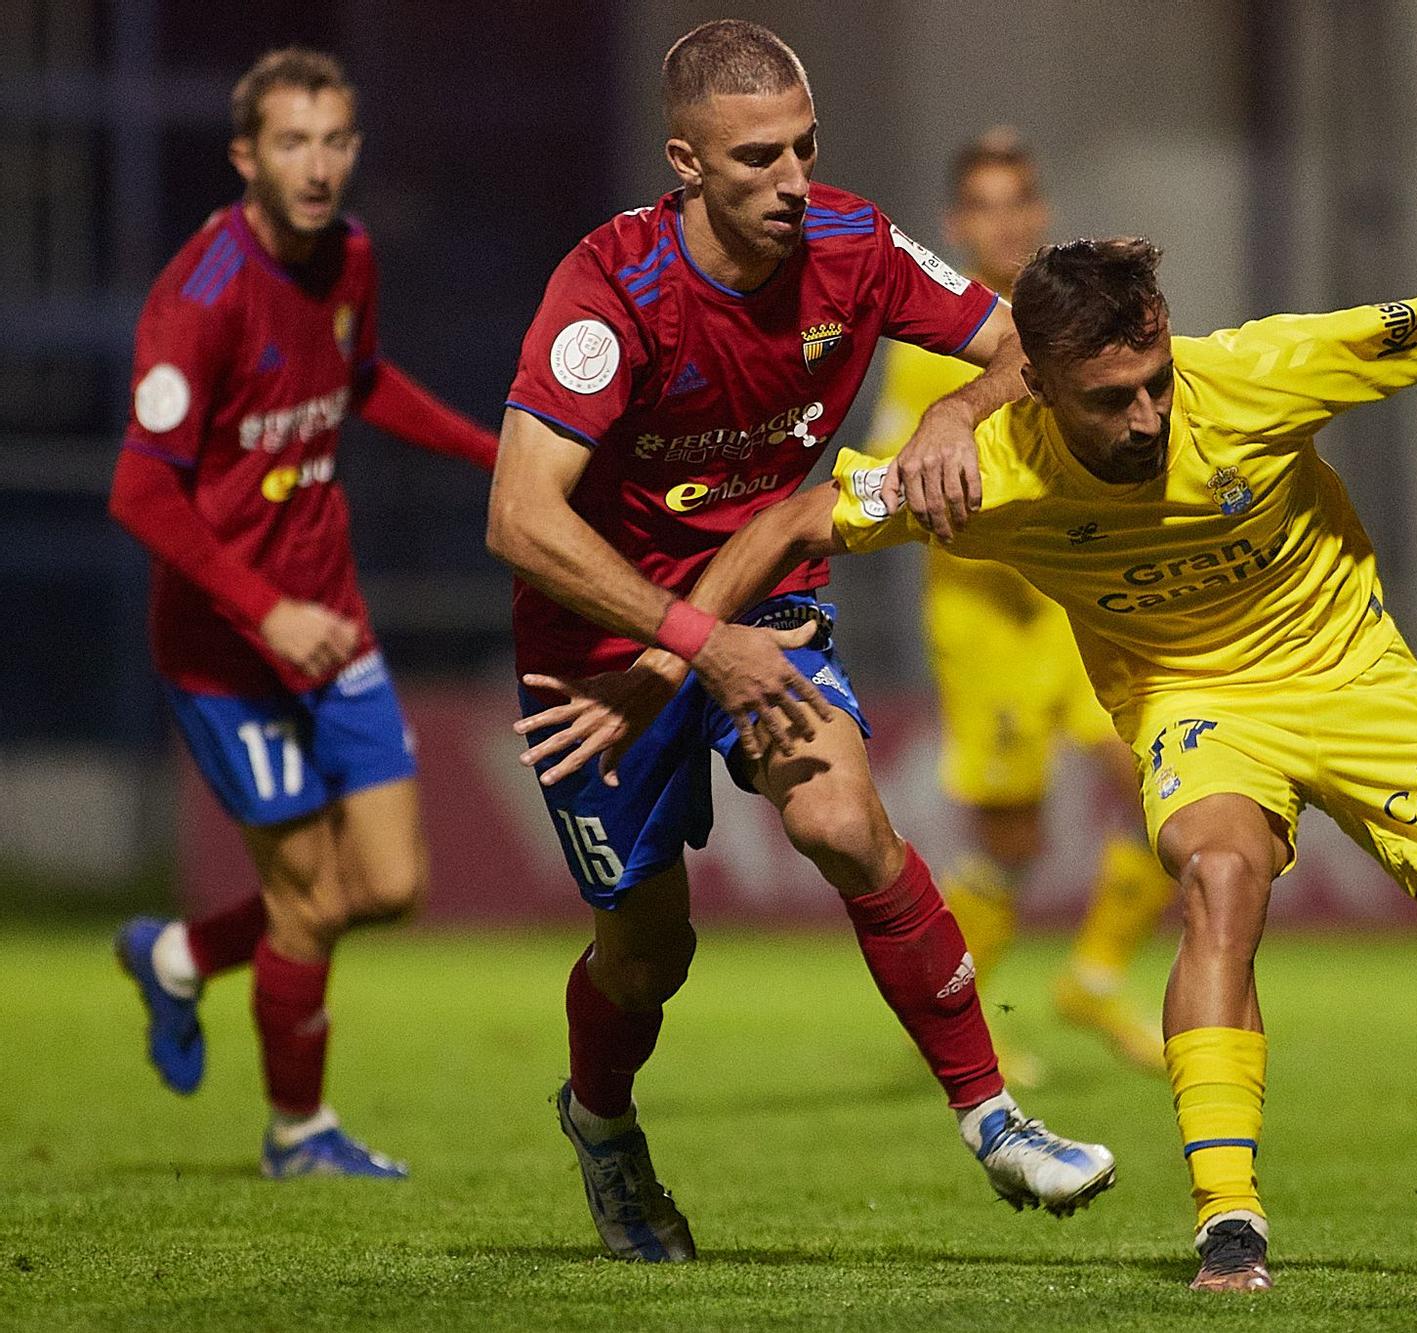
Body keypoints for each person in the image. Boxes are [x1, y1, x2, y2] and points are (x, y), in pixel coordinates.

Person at [659, 238, 1417, 1290]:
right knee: (1219, 878)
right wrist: (677, 663)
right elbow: (789, 525)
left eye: (1154, 382)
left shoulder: (1253, 375)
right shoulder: (980, 475)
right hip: (1195, 705)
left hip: (1359, 683)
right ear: (1032, 383)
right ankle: (1228, 1216)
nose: (1145, 417)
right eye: (1109, 398)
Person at [486, 21, 1112, 1263]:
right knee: (645, 954)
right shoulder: (611, 291)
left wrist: (954, 421)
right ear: (684, 163)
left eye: (805, 149)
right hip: (599, 649)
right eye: (757, 159)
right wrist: (685, 642)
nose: (791, 183)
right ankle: (602, 1127)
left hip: (762, 604)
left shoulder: (855, 243)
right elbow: (516, 514)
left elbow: (1018, 345)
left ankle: (992, 1117)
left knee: (839, 819)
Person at [109, 47, 500, 1178]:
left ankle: (178, 955)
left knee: (389, 885)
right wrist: (265, 611)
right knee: (311, 894)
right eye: (293, 142)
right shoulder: (200, 296)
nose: (319, 165)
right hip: (228, 649)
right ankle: (298, 1132)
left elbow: (361, 376)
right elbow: (140, 488)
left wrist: (490, 451)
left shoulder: (352, 255)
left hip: (330, 622)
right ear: (246, 157)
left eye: (336, 140)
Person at [860, 130, 1174, 1085]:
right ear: (959, 223)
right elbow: (892, 473)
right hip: (985, 619)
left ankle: (1094, 975)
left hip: (1077, 604)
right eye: (984, 206)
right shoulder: (935, 336)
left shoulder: (1072, 319)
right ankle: (954, 1022)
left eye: (1019, 200)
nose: (1005, 220)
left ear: (1038, 211)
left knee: (1166, 784)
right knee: (1016, 841)